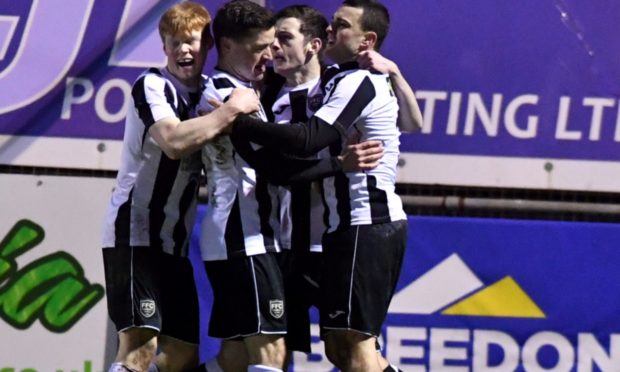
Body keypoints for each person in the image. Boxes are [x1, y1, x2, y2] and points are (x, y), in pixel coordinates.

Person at [230, 0, 409, 370]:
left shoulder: (357, 81)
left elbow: (311, 137)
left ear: (366, 41)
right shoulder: (302, 89)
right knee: (341, 349)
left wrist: (233, 120)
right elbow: (279, 167)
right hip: (324, 234)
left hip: (365, 222)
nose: (331, 30)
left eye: (341, 25)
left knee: (358, 349)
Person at [100, 2, 259, 372]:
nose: (183, 50)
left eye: (191, 41)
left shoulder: (211, 90)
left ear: (209, 46)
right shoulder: (151, 85)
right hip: (135, 230)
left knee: (183, 353)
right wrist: (230, 111)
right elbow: (173, 142)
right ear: (164, 47)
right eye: (174, 42)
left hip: (174, 241)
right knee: (140, 347)